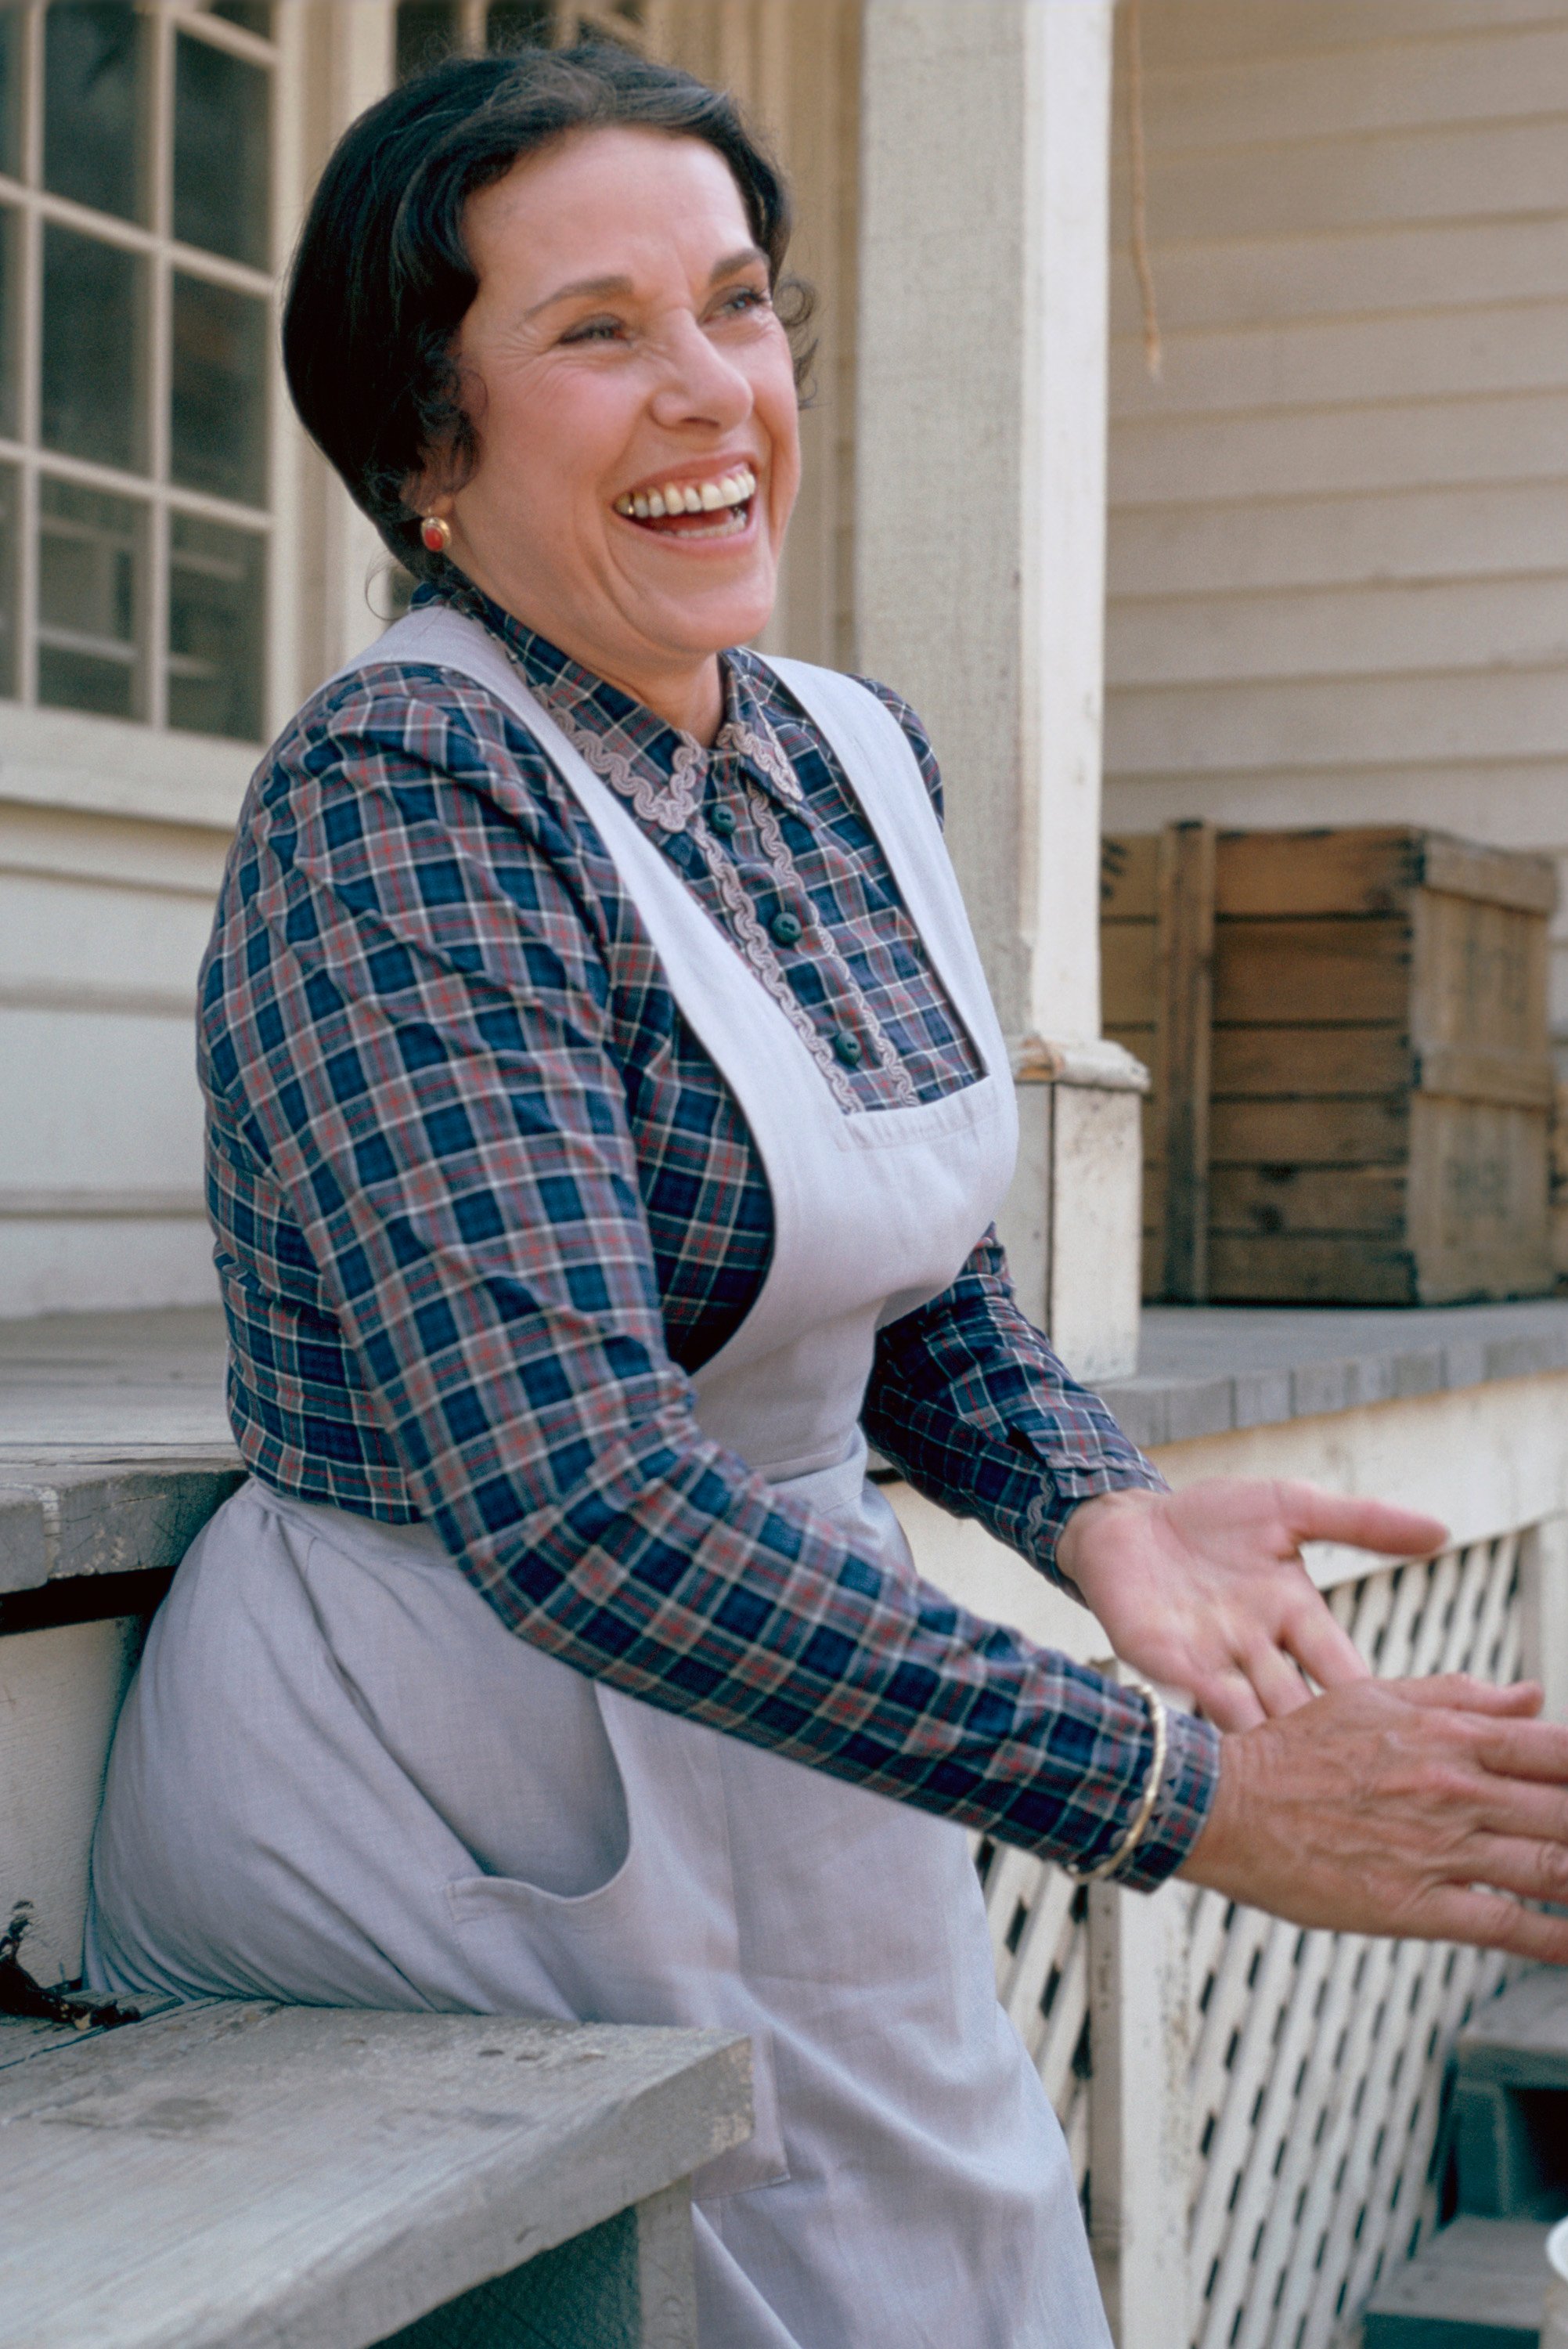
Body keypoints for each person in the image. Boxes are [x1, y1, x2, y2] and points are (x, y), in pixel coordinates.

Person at [87, 42, 1568, 2349]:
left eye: (740, 304)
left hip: (789, 1710)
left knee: (953, 2284)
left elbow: (903, 1263)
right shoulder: (403, 800)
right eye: (593, 332)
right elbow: (571, 1503)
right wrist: (1173, 1793)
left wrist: (1097, 1507)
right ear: (422, 456)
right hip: (459, 1767)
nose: (706, 391)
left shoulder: (835, 747)